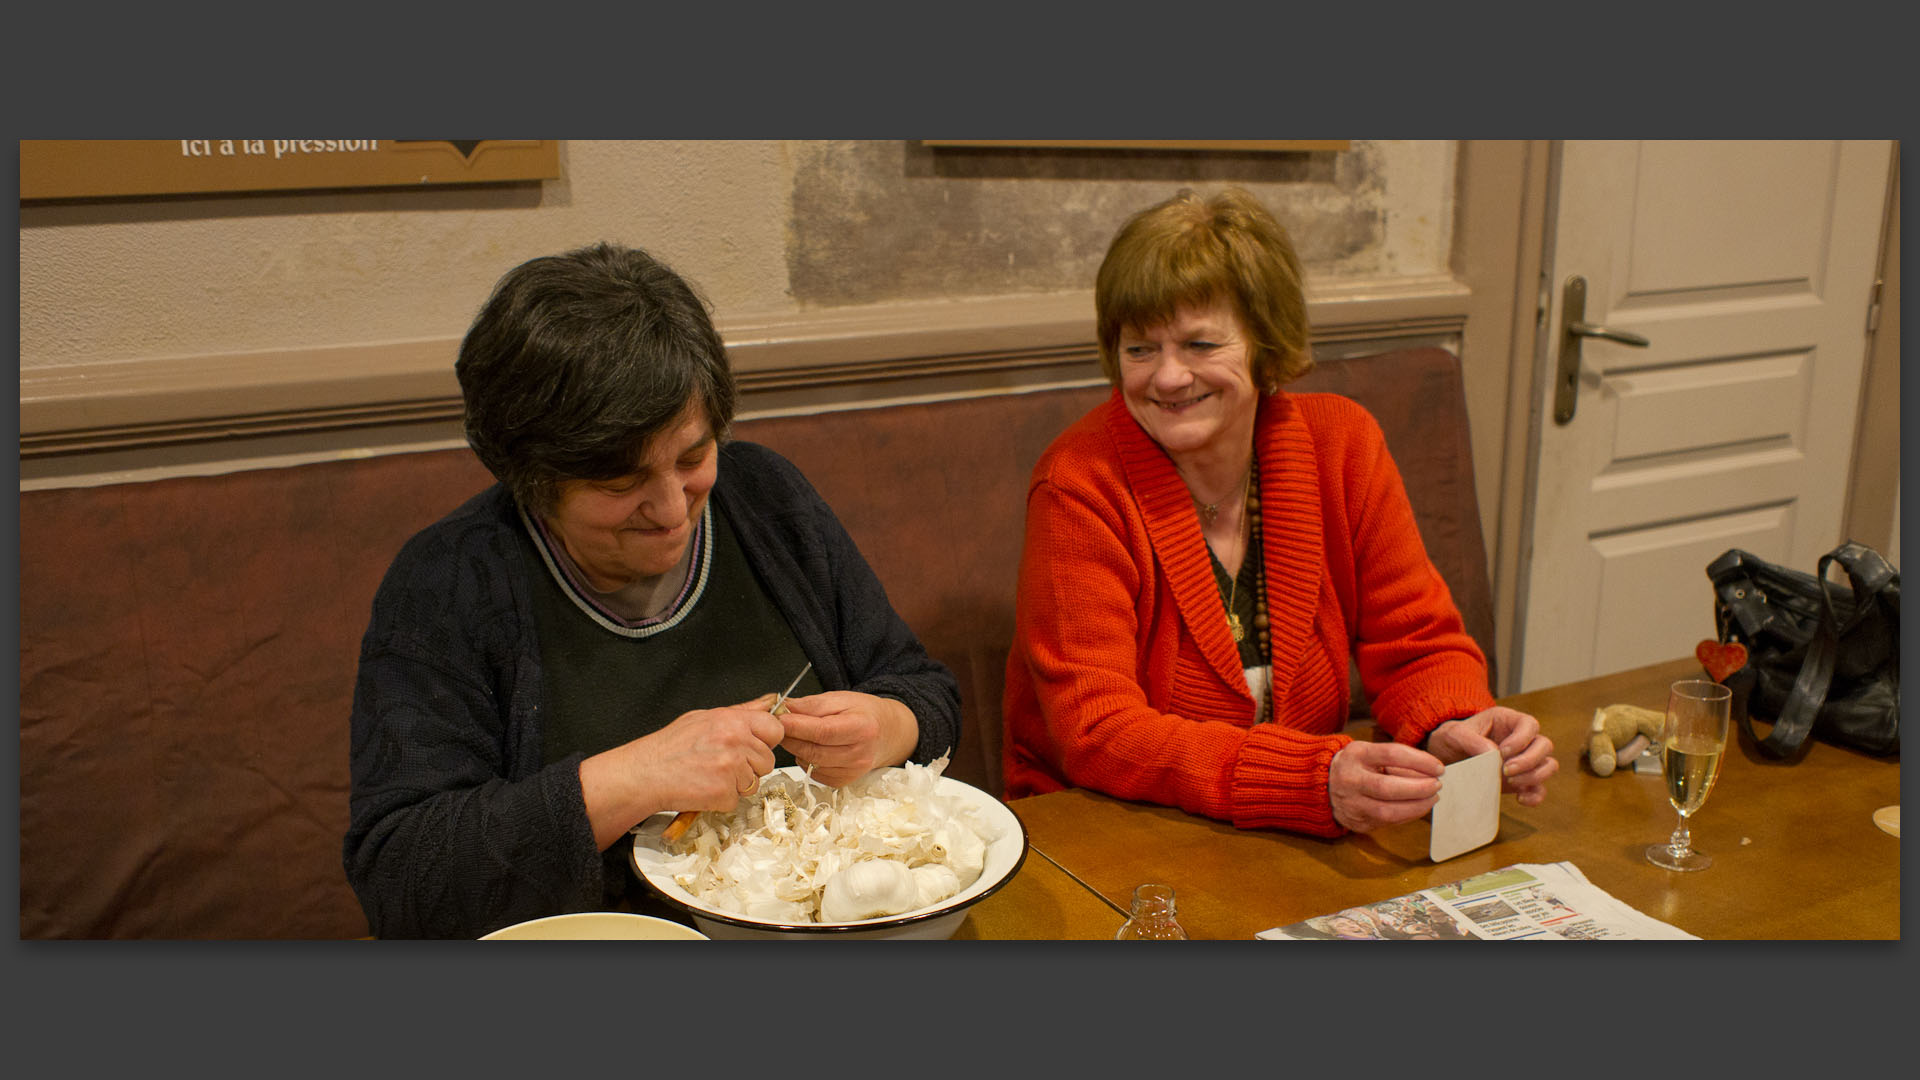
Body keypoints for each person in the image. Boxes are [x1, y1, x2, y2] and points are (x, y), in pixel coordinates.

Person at [344, 242, 960, 938]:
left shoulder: (767, 500)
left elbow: (923, 689)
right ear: (533, 481)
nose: (672, 509)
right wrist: (636, 776)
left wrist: (886, 727)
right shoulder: (448, 582)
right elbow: (402, 882)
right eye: (620, 482)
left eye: (693, 456)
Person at [1003, 187, 1556, 838]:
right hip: (1108, 832)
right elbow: (1097, 731)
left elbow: (1418, 647)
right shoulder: (1080, 481)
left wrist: (1452, 724)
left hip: (1286, 840)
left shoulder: (1342, 445)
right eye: (1140, 348)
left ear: (1266, 343)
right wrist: (1308, 780)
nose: (1168, 377)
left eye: (1201, 344)